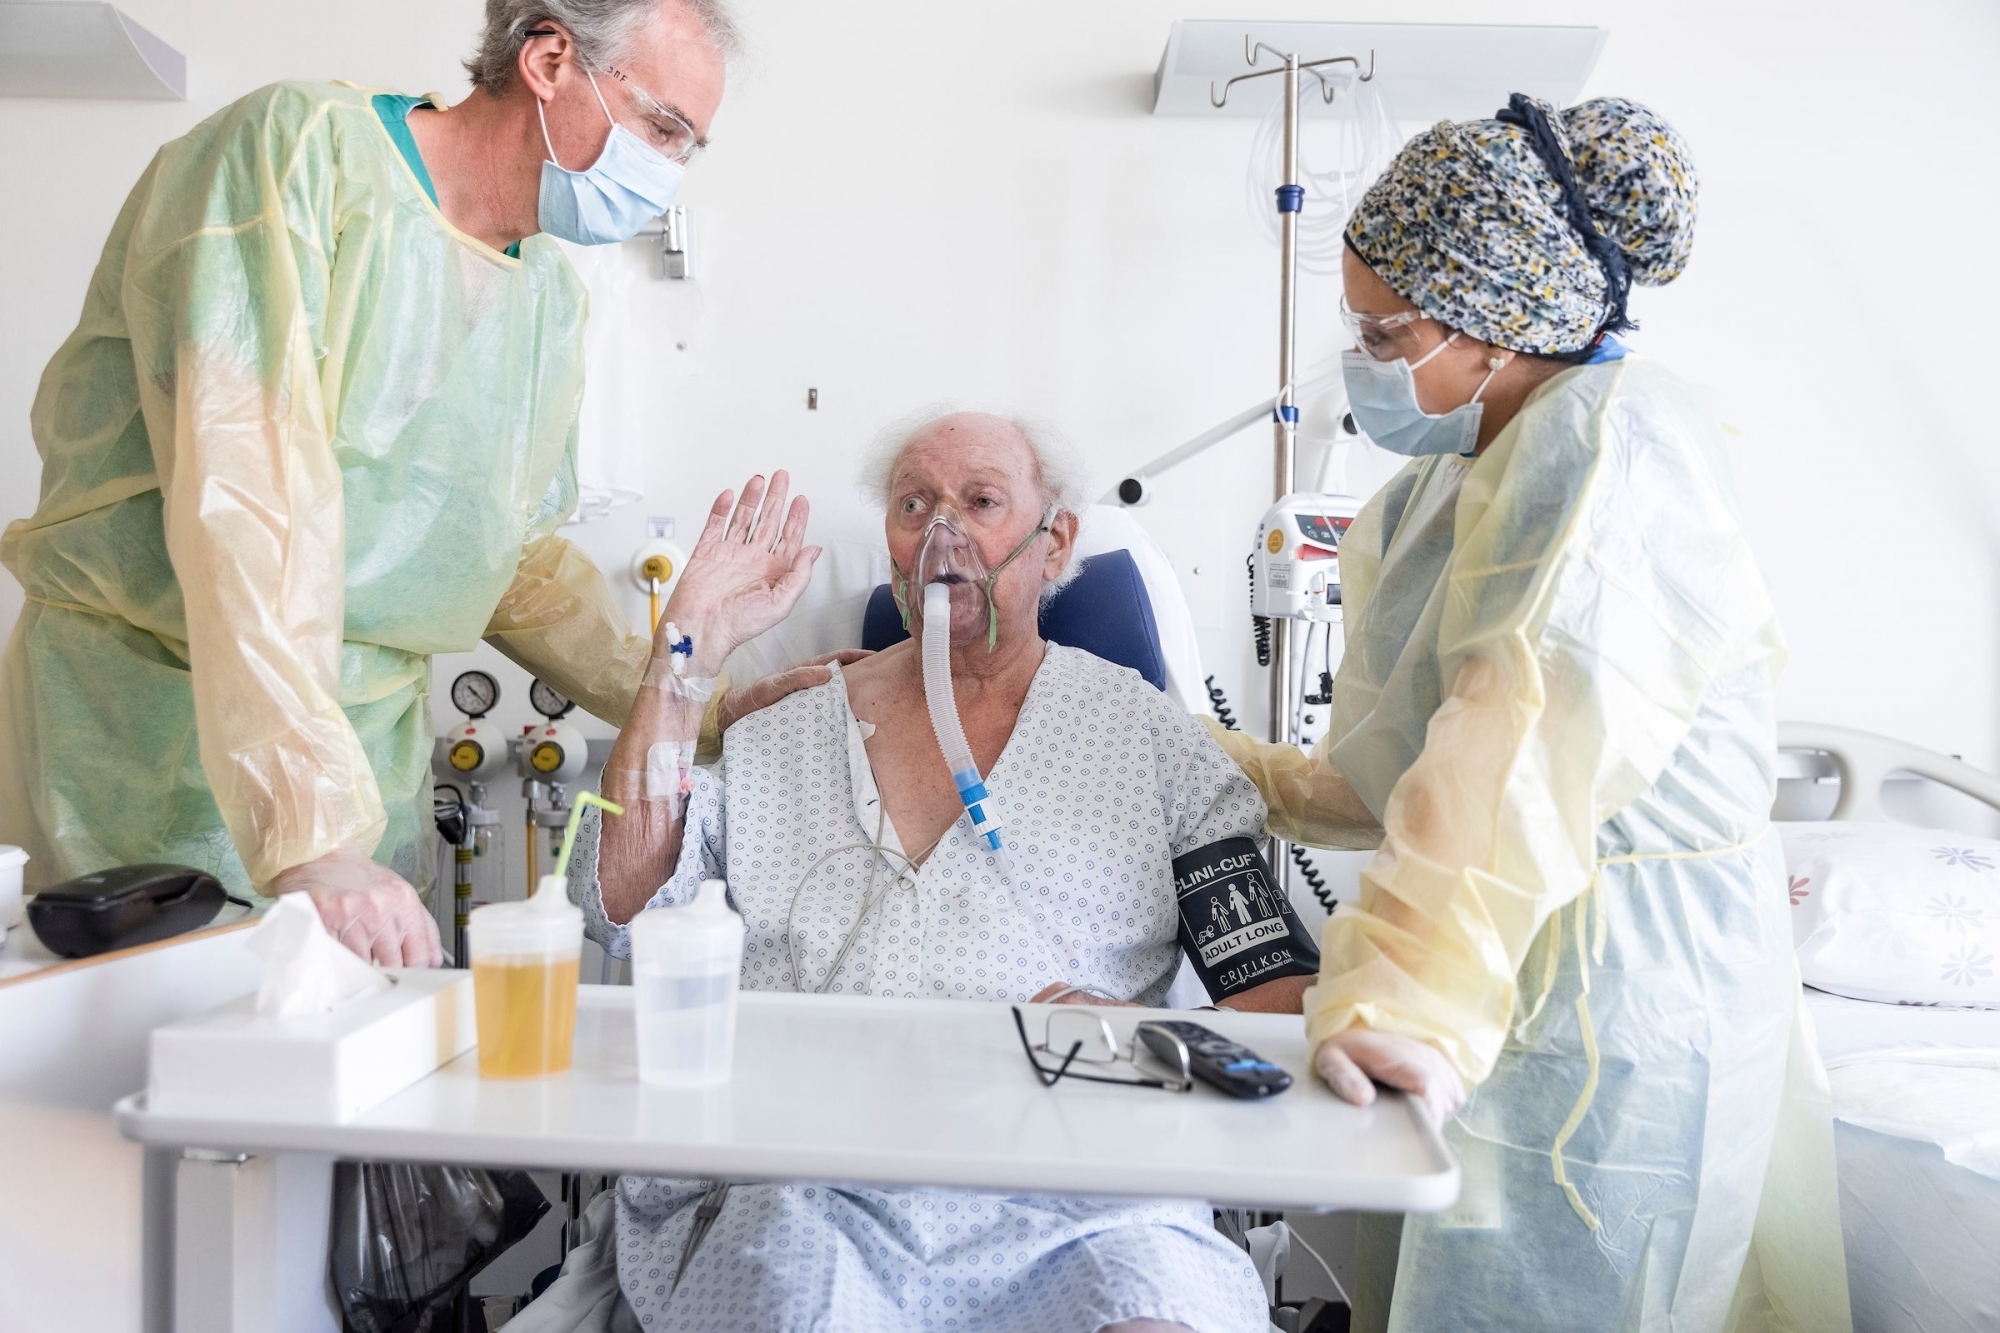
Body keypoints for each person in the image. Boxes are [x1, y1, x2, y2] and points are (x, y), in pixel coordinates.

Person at [1203, 96, 1853, 1331]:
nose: (1361, 360)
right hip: (1487, 966)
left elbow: (1515, 758)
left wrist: (1400, 992)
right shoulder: (1448, 480)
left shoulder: (1611, 460)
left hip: (1623, 998)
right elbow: (1406, 767)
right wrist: (1221, 765)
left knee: (1584, 1294)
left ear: (1491, 325)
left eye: (1381, 329)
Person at [0, 0, 787, 965]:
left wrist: (704, 700)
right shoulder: (296, 159)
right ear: (548, 59)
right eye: (662, 127)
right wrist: (310, 831)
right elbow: (248, 497)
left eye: (687, 148)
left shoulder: (545, 299)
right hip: (154, 741)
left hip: (360, 771)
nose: (664, 172)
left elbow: (510, 559)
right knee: (136, 1077)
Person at [517, 417, 1288, 1333]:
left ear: (1058, 543)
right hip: (805, 1182)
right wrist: (684, 656)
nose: (941, 530)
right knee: (789, 1300)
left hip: (1085, 1196)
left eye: (982, 500)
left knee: (1151, 1313)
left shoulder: (1154, 744)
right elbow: (623, 906)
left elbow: (1279, 1004)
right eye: (914, 502)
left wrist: (1150, 1042)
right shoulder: (788, 724)